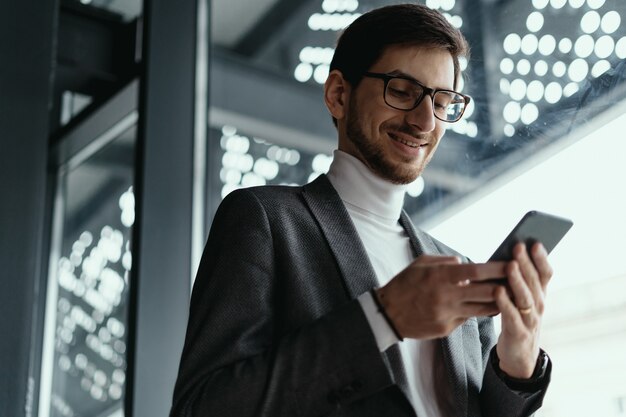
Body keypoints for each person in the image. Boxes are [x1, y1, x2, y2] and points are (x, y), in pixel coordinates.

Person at [170, 4, 552, 417]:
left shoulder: (457, 269)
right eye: (402, 92)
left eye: (443, 102)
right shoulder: (266, 220)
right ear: (338, 94)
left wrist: (517, 364)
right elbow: (202, 407)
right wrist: (382, 318)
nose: (425, 121)